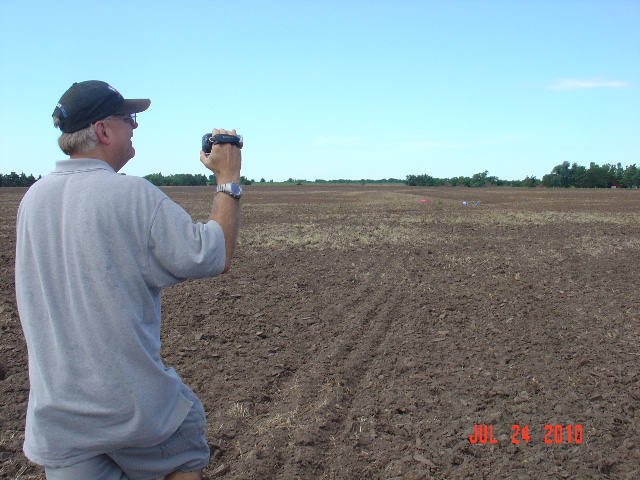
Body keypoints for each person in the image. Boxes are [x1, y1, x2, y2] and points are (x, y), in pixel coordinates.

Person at [15, 80, 243, 480]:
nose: (134, 127)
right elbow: (214, 254)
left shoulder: (32, 199)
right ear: (103, 130)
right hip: (136, 416)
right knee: (182, 447)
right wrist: (228, 177)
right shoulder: (131, 194)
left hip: (60, 424)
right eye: (128, 119)